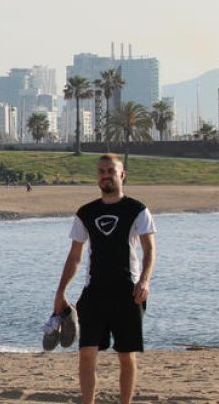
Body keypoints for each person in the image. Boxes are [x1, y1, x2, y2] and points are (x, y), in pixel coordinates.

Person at [53, 154, 157, 404]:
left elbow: (149, 249)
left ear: (122, 175)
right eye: (101, 171)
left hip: (127, 292)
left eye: (111, 170)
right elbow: (75, 256)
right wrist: (61, 292)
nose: (106, 175)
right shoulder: (86, 213)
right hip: (94, 292)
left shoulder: (137, 210)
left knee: (125, 354)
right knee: (87, 352)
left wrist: (144, 280)